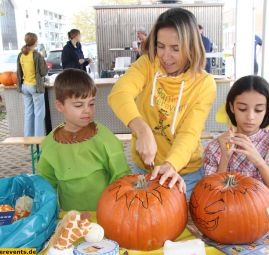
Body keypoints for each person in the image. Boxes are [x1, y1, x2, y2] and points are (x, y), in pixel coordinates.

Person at [108, 8, 216, 199]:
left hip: (184, 173)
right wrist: (142, 130)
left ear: (191, 46)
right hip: (144, 169)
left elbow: (189, 133)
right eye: (161, 46)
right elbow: (119, 93)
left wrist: (171, 164)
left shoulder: (204, 83)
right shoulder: (148, 64)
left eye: (176, 48)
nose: (166, 56)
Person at [38, 69, 131, 211]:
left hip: (106, 215)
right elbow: (45, 184)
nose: (87, 110)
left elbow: (121, 175)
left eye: (91, 103)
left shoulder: (104, 138)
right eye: (78, 105)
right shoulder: (51, 144)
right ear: (60, 106)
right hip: (72, 218)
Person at [203, 75, 269, 203]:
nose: (250, 117)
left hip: (265, 218)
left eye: (258, 110)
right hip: (226, 217)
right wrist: (224, 159)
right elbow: (209, 200)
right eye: (242, 108)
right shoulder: (215, 147)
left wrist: (260, 163)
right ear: (232, 107)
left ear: (266, 110)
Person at [16, 32, 48, 136]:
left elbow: (19, 71)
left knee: (28, 113)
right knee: (39, 114)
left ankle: (27, 139)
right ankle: (38, 140)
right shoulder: (37, 55)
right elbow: (44, 72)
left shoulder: (21, 55)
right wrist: (43, 58)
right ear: (35, 41)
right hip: (35, 87)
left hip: (25, 86)